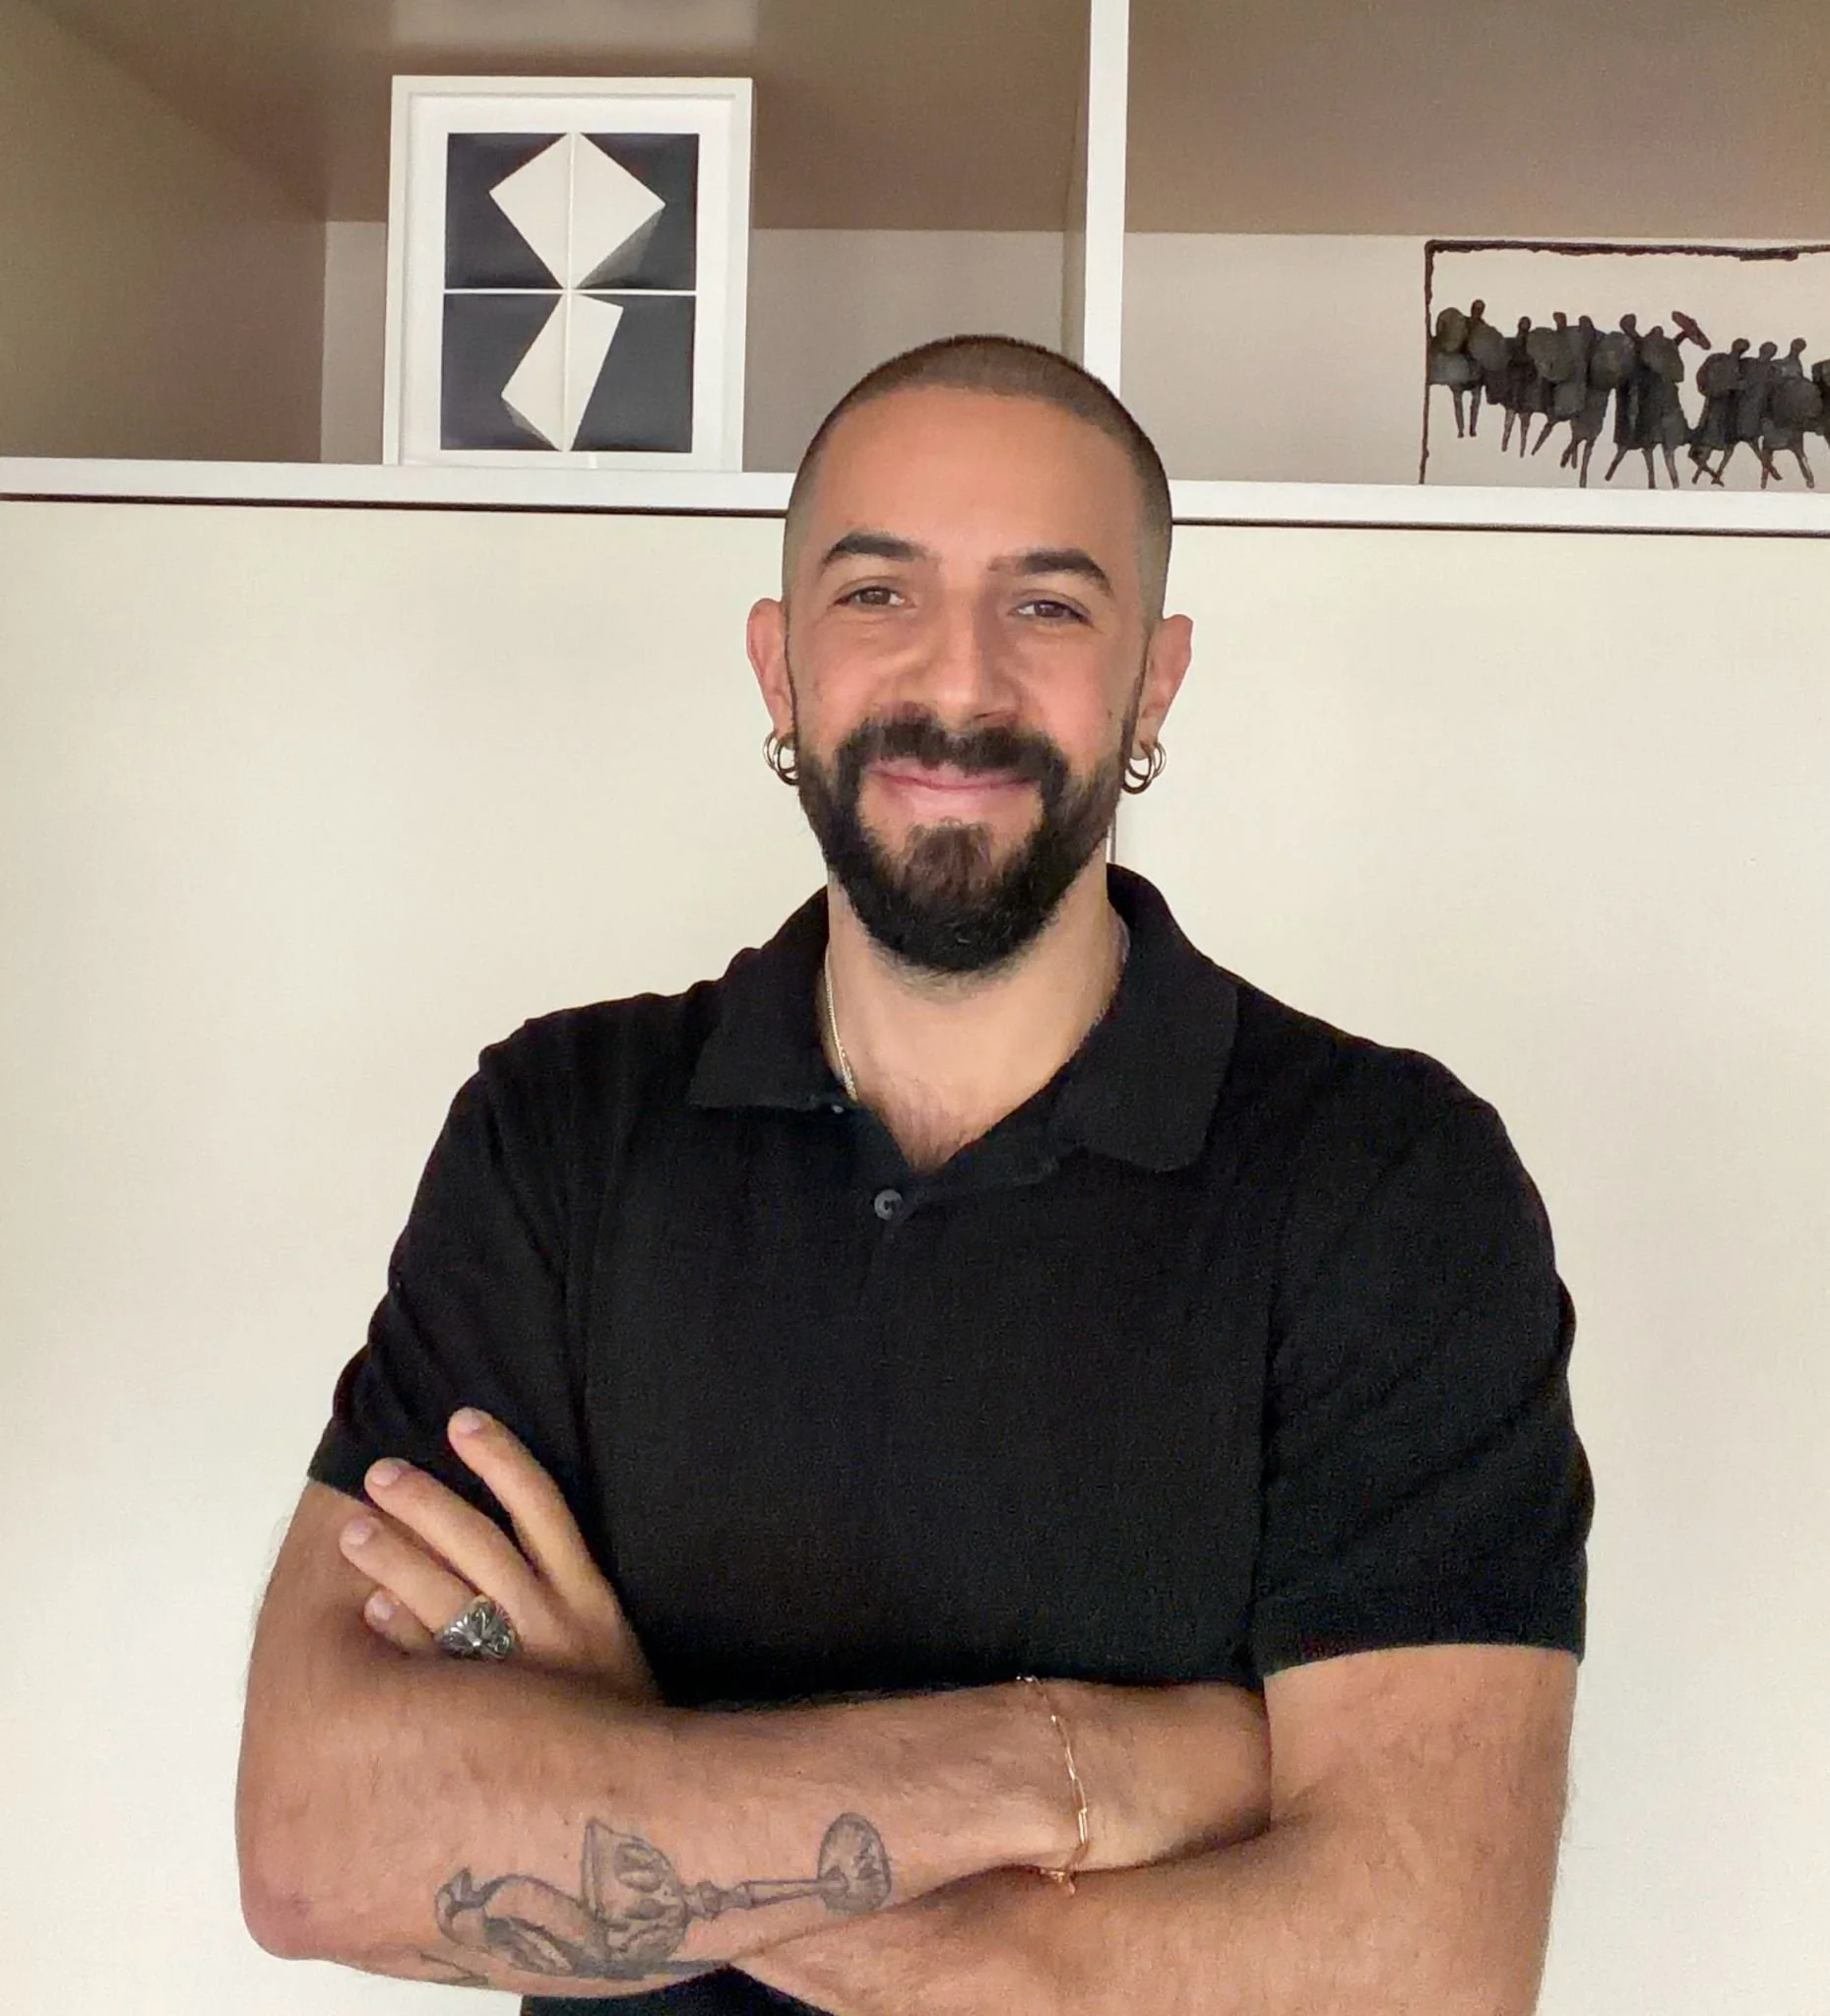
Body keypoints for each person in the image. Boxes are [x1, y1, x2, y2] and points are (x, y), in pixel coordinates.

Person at [237, 335, 1592, 2015]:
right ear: (778, 662)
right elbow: (316, 1843)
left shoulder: (1389, 1186)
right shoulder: (556, 1133)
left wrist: (626, 1757)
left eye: (1047, 605)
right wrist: (1074, 1768)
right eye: (877, 593)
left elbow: (1419, 1972)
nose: (957, 687)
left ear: (1154, 682)